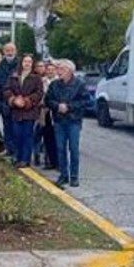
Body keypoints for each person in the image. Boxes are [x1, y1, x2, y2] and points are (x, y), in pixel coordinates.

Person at [45, 59, 91, 188]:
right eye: (58, 69)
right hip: (59, 120)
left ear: (70, 71)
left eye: (62, 69)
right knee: (60, 148)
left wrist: (69, 106)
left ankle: (74, 176)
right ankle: (63, 175)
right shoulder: (54, 84)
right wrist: (57, 106)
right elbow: (48, 99)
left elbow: (86, 101)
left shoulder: (79, 84)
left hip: (73, 121)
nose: (59, 72)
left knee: (74, 149)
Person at [3, 54, 43, 168]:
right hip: (15, 110)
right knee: (16, 134)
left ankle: (25, 159)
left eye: (29, 62)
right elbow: (6, 90)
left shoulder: (36, 78)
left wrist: (27, 101)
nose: (27, 64)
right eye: (25, 61)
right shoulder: (14, 76)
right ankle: (17, 156)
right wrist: (13, 100)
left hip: (29, 111)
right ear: (21, 63)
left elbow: (39, 93)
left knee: (27, 135)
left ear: (32, 64)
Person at [0, 42, 19, 157]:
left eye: (12, 50)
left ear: (15, 51)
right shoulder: (1, 64)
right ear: (3, 52)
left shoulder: (19, 64)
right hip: (4, 100)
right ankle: (9, 148)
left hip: (17, 100)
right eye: (7, 50)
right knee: (7, 126)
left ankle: (16, 150)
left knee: (16, 127)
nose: (9, 53)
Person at [41, 62, 59, 170]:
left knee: (58, 140)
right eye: (48, 69)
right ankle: (51, 162)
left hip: (56, 112)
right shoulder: (42, 81)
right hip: (45, 112)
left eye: (52, 69)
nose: (50, 71)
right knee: (47, 138)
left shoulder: (59, 82)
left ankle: (59, 163)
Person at [32, 60, 47, 166]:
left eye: (42, 66)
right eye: (39, 66)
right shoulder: (32, 79)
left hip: (46, 110)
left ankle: (47, 157)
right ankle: (36, 154)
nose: (41, 68)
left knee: (46, 135)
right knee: (36, 134)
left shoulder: (48, 80)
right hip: (35, 109)